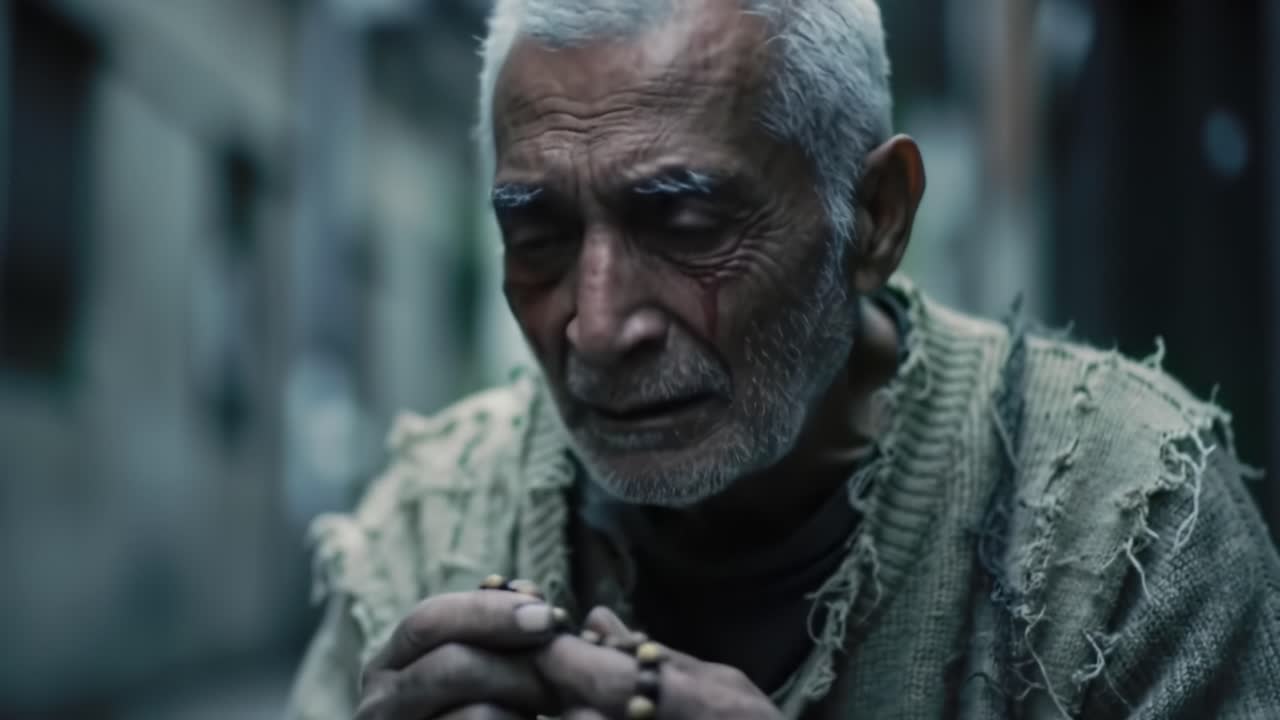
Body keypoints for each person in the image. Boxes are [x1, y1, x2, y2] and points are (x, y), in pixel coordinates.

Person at [285, 1, 1280, 718]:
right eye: (537, 234)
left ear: (875, 219)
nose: (595, 326)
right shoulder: (429, 524)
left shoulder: (1122, 530)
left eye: (681, 221)